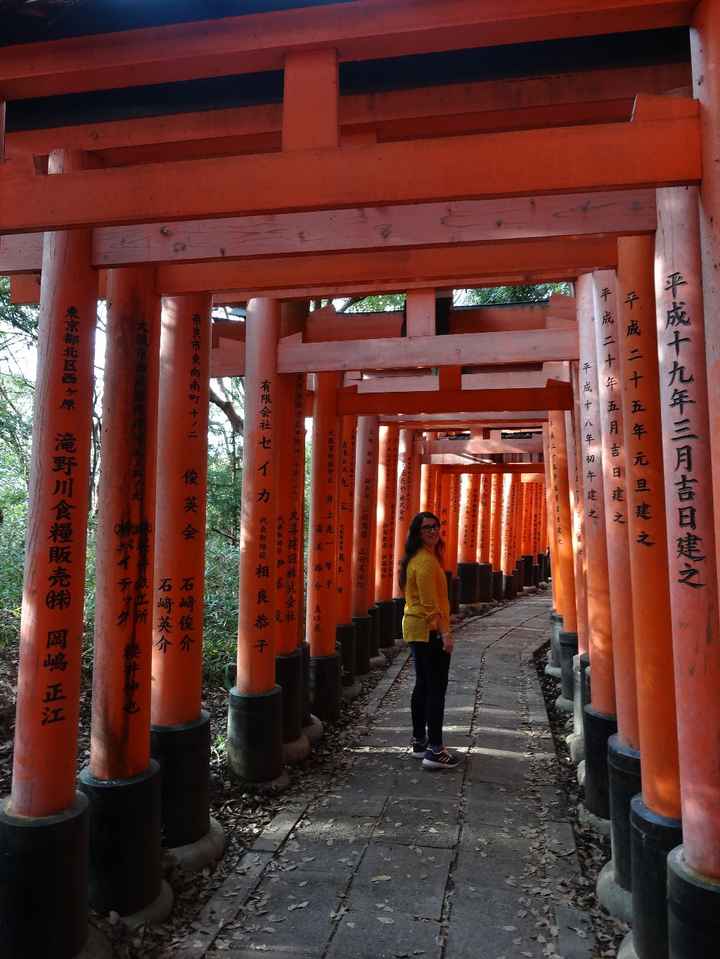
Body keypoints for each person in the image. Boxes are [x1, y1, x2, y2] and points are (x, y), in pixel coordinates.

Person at [399, 511, 460, 770]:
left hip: (418, 630)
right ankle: (435, 750)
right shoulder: (424, 562)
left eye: (435, 526)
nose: (433, 531)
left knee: (423, 685)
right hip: (428, 630)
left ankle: (419, 742)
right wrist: (444, 634)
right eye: (427, 528)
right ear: (417, 532)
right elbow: (429, 605)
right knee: (436, 688)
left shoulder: (421, 558)